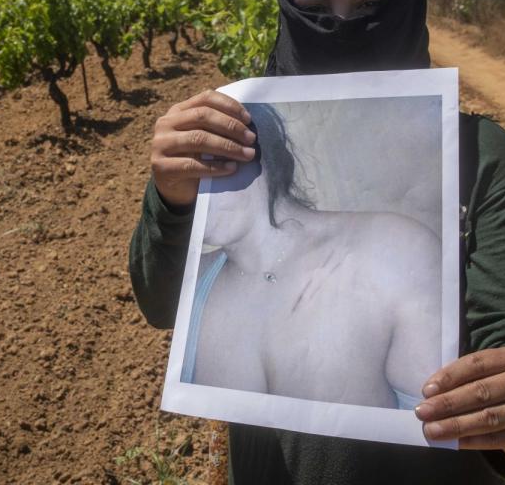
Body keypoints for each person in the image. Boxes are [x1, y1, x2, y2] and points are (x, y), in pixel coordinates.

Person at [128, 0, 505, 483]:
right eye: (314, 12)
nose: (341, 28)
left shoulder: (481, 156)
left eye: (368, 7)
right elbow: (160, 302)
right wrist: (172, 196)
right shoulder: (229, 144)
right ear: (288, 14)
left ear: (406, 3)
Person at [186, 102, 441, 413]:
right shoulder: (193, 285)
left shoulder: (396, 247)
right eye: (187, 177)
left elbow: (435, 425)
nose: (200, 188)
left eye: (214, 164)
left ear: (261, 151)